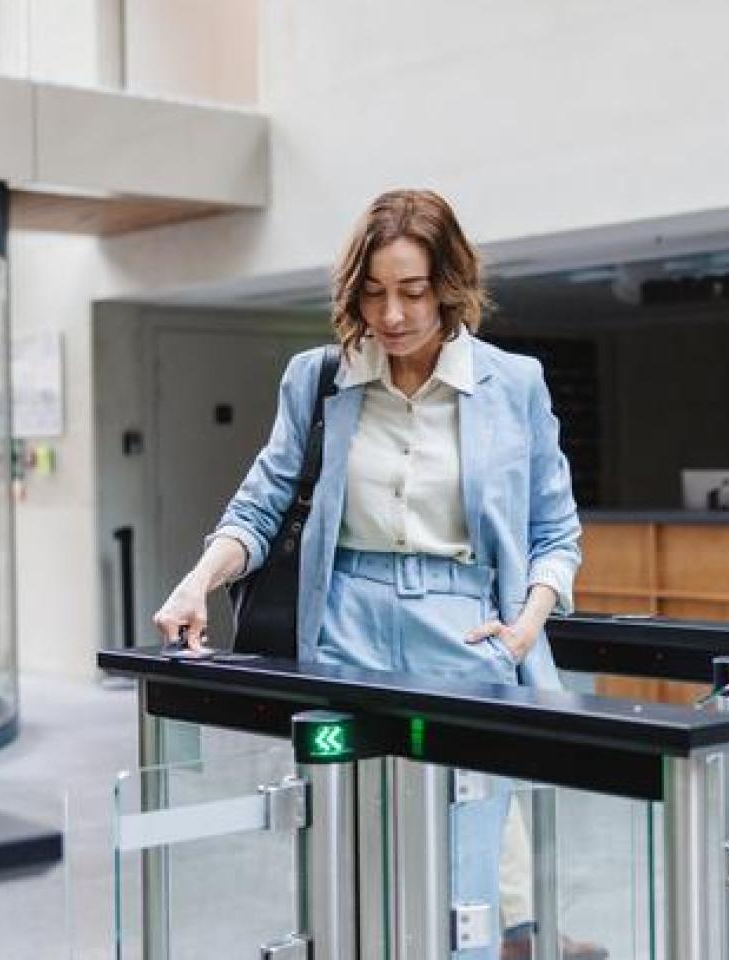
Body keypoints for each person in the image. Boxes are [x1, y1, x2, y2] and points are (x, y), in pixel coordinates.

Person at [153, 189, 598, 959]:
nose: (391, 315)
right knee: (351, 869)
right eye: (373, 292)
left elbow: (555, 531)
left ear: (449, 287)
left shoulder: (513, 383)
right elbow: (260, 507)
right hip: (345, 634)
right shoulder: (318, 379)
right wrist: (198, 581)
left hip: (466, 634)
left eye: (413, 291)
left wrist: (527, 625)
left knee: (465, 883)